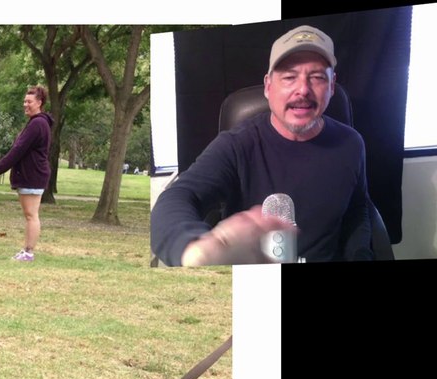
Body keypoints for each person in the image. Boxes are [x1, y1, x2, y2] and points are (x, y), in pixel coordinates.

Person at [150, 25, 372, 265]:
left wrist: (361, 254)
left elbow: (357, 210)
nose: (303, 90)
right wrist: (194, 250)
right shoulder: (236, 145)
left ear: (331, 86)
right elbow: (179, 196)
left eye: (317, 77)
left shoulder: (351, 144)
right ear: (268, 86)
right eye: (289, 77)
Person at [0, 85, 54, 262]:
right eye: (24, 101)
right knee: (30, 215)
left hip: (33, 175)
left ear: (39, 103)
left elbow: (18, 150)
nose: (26, 104)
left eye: (29, 101)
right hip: (33, 174)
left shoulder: (38, 123)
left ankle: (28, 252)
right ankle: (26, 250)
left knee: (31, 215)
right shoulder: (38, 122)